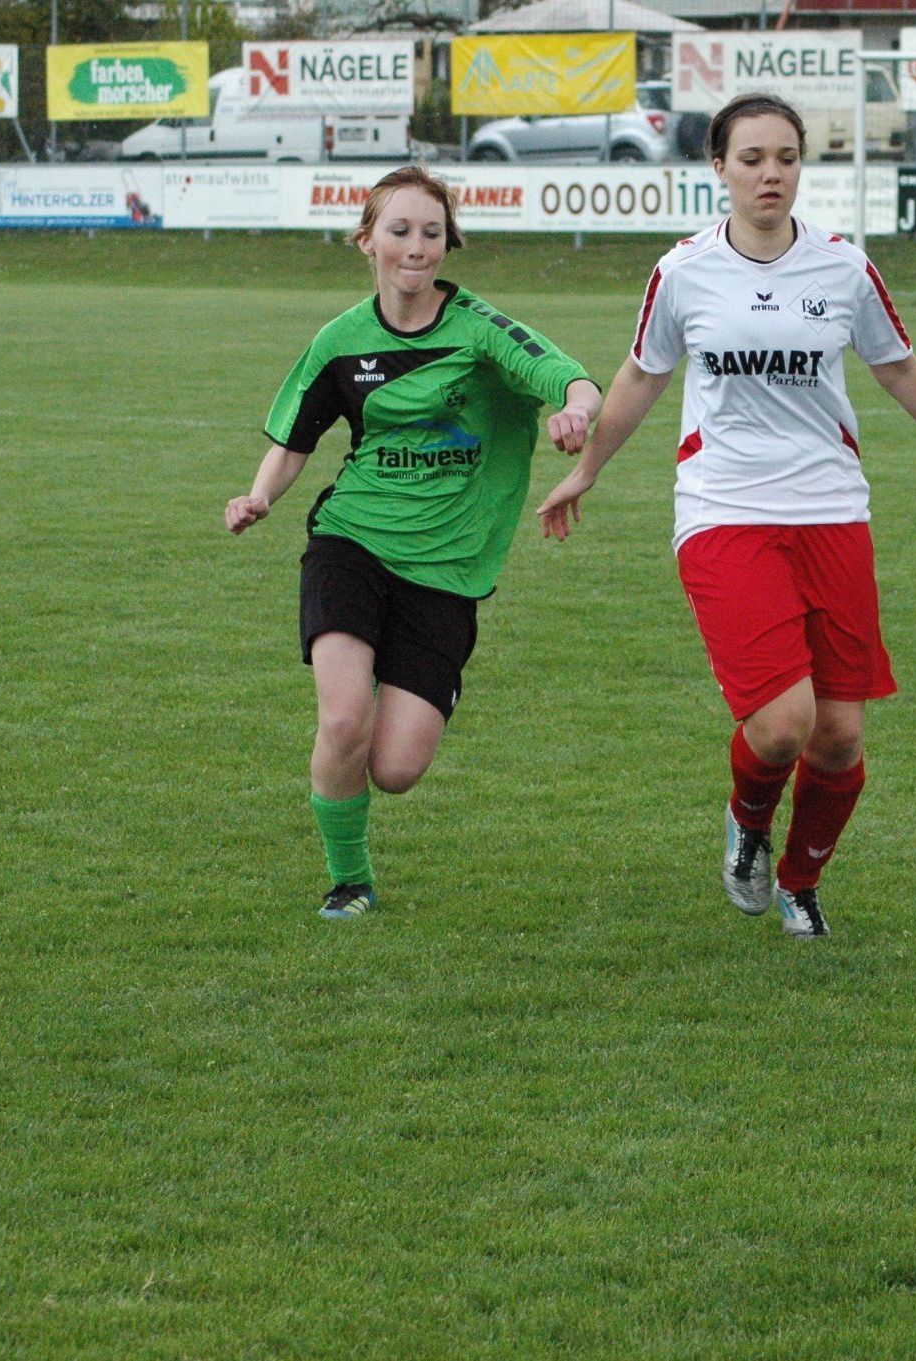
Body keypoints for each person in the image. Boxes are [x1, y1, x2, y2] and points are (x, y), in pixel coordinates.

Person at [535, 93, 916, 940]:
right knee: (783, 723)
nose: (771, 174)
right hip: (724, 507)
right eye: (752, 158)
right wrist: (588, 470)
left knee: (837, 737)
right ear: (718, 168)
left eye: (786, 157)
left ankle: (800, 883)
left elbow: (898, 367)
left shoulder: (843, 266)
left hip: (832, 509)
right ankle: (749, 822)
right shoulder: (683, 272)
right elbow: (642, 375)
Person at [226, 167, 602, 919]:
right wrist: (261, 495)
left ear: (447, 243)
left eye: (432, 232)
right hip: (352, 542)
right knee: (341, 720)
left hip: (448, 571)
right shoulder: (340, 341)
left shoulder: (479, 330)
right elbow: (296, 439)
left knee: (394, 768)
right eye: (399, 230)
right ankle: (349, 880)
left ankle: (361, 758)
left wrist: (574, 411)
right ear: (368, 240)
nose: (416, 246)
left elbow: (568, 375)